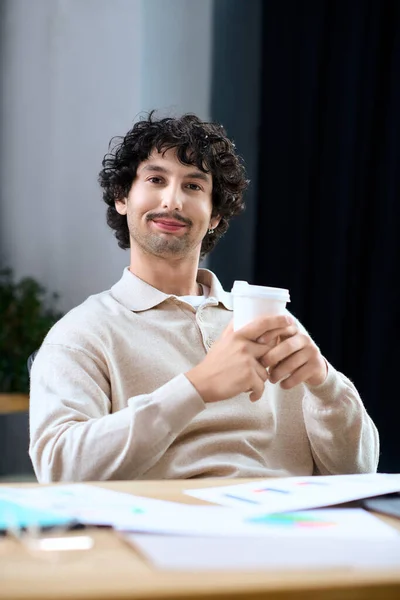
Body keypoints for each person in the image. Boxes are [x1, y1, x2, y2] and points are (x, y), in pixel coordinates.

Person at [29, 112, 379, 482]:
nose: (173, 200)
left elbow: (357, 471)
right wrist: (196, 388)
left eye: (194, 186)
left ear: (214, 215)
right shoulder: (83, 334)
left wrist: (325, 384)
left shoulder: (269, 326)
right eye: (156, 179)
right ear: (122, 198)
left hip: (290, 525)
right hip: (170, 529)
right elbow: (59, 469)